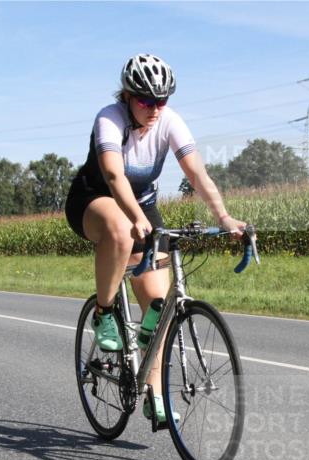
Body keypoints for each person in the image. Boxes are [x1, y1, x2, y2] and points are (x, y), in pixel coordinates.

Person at [65, 53, 245, 425]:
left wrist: (224, 217)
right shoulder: (110, 119)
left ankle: (154, 393)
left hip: (143, 207)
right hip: (94, 200)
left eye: (161, 101)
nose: (155, 109)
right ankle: (104, 313)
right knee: (119, 228)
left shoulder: (169, 121)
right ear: (128, 96)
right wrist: (134, 218)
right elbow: (114, 177)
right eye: (146, 101)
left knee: (159, 308)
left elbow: (197, 175)